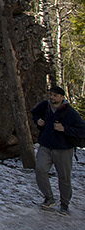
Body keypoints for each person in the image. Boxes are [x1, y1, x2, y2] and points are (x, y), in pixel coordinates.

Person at [33, 85, 85, 215]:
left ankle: (65, 204)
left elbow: (82, 131)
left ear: (62, 97)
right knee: (40, 170)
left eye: (55, 95)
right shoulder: (45, 106)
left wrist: (64, 129)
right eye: (50, 95)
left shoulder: (70, 113)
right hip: (45, 146)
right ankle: (49, 198)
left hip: (63, 149)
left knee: (64, 177)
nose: (52, 97)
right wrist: (38, 120)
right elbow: (35, 113)